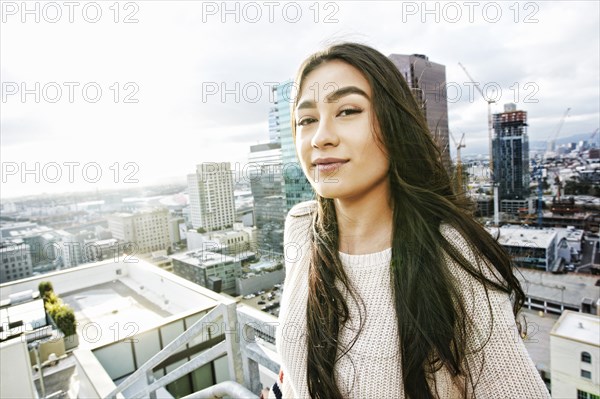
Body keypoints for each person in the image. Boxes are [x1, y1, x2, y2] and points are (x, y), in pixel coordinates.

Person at [267, 42, 551, 399]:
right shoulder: (301, 226)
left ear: (394, 123)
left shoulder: (452, 254)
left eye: (348, 111)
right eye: (307, 120)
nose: (321, 137)